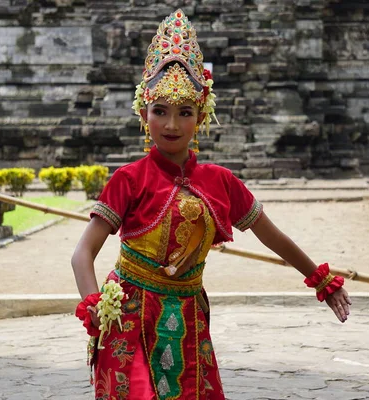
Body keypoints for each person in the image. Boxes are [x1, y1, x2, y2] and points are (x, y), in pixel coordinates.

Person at [71, 9, 351, 400]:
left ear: (201, 116)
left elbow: (273, 237)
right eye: (160, 112)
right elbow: (83, 253)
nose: (171, 125)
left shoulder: (220, 181)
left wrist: (321, 281)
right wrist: (96, 308)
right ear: (143, 113)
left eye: (185, 113)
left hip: (187, 318)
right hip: (129, 319)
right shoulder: (129, 178)